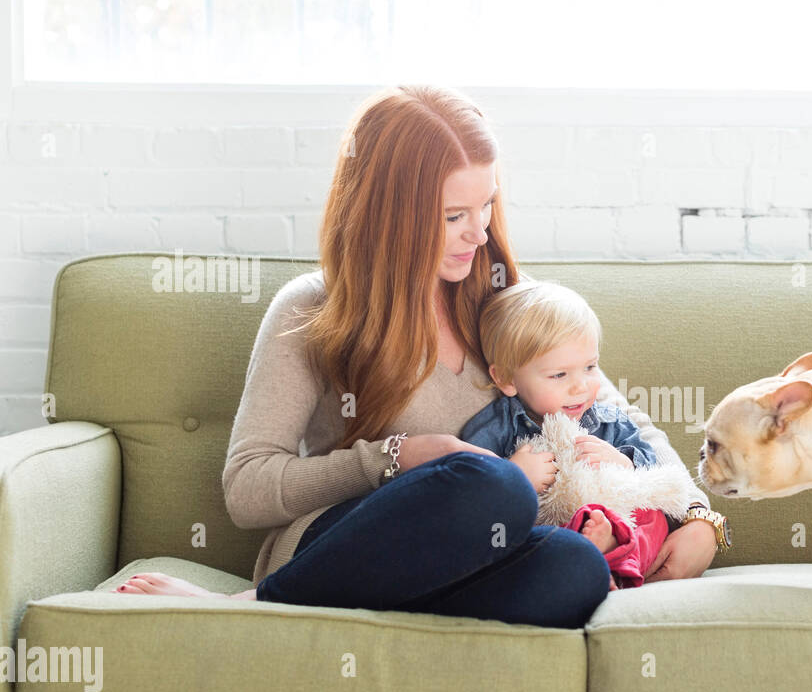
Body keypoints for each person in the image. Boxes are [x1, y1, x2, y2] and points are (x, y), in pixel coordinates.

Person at [115, 84, 720, 629]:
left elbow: (615, 416)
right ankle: (255, 606)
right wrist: (396, 458)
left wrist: (699, 519)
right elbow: (247, 489)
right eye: (454, 215)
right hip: (346, 541)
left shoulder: (510, 303)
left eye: (486, 207)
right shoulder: (313, 309)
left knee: (578, 567)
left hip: (482, 551)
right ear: (389, 213)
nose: (479, 233)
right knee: (496, 484)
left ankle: (350, 607)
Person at [460, 279, 685, 592]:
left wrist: (624, 462)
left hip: (617, 523)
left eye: (590, 367)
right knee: (507, 536)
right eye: (559, 375)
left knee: (653, 517)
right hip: (550, 532)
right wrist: (512, 474)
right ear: (506, 378)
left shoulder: (607, 420)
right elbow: (467, 486)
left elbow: (653, 469)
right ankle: (589, 564)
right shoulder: (496, 428)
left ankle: (611, 561)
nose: (581, 386)